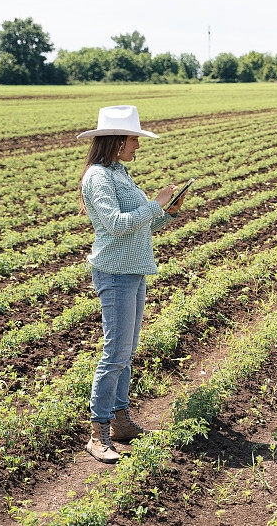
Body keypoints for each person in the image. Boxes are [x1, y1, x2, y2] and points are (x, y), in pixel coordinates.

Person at [77, 105, 187, 463]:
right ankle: (98, 434)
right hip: (115, 273)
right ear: (116, 140)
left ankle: (122, 422)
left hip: (135, 270)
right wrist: (153, 206)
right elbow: (116, 224)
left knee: (127, 353)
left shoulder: (120, 173)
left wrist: (166, 212)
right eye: (134, 139)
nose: (137, 146)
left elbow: (141, 226)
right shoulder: (98, 177)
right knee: (114, 355)